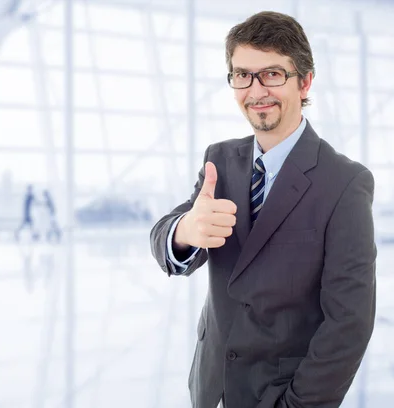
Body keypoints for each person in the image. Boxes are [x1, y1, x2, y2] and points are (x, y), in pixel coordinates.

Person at [149, 11, 377, 408]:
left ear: (304, 81)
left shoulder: (345, 183)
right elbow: (165, 238)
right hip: (211, 387)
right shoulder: (219, 160)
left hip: (283, 394)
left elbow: (349, 325)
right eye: (242, 75)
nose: (256, 90)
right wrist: (185, 230)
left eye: (272, 74)